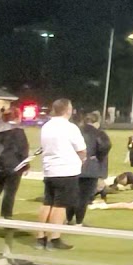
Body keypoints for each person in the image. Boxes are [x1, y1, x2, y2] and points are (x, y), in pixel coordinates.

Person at [37, 98, 85, 250]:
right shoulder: (70, 127)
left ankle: (40, 237)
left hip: (50, 169)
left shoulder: (46, 126)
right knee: (60, 205)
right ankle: (54, 238)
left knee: (47, 203)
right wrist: (82, 160)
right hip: (66, 170)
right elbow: (81, 150)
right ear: (67, 110)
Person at [0, 108, 30, 219]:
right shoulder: (18, 131)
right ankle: (7, 216)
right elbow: (22, 150)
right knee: (10, 193)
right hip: (12, 166)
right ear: (17, 116)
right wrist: (26, 165)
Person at [70, 111, 111, 225]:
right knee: (83, 197)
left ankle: (68, 220)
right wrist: (102, 174)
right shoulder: (99, 134)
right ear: (96, 122)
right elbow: (105, 148)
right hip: (90, 169)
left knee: (72, 195)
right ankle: (79, 222)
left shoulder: (76, 131)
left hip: (72, 167)